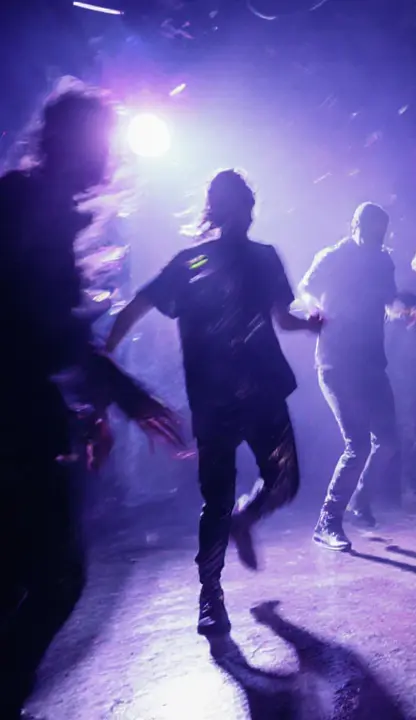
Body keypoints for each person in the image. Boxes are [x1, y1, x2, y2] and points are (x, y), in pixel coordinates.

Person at [0, 79, 183, 716]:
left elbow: (47, 332)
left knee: (38, 574)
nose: (109, 158)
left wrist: (91, 407)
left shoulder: (30, 202)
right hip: (14, 421)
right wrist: (126, 397)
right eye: (101, 141)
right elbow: (46, 326)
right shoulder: (27, 208)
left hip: (26, 416)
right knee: (52, 577)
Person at [106, 169, 322, 637]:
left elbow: (283, 320)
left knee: (285, 482)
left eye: (245, 202)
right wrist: (99, 366)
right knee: (217, 499)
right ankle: (210, 595)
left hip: (263, 391)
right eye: (236, 203)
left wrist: (309, 325)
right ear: (224, 210)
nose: (242, 211)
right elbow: (136, 308)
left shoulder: (265, 259)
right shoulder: (189, 264)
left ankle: (246, 520)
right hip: (215, 400)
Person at [299, 202, 416, 551]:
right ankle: (328, 521)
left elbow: (387, 299)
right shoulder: (333, 256)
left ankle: (359, 498)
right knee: (358, 444)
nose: (377, 239)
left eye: (382, 233)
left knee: (389, 439)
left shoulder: (383, 260)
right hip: (336, 363)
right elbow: (305, 288)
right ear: (355, 226)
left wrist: (400, 310)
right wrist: (314, 308)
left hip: (370, 363)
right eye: (371, 231)